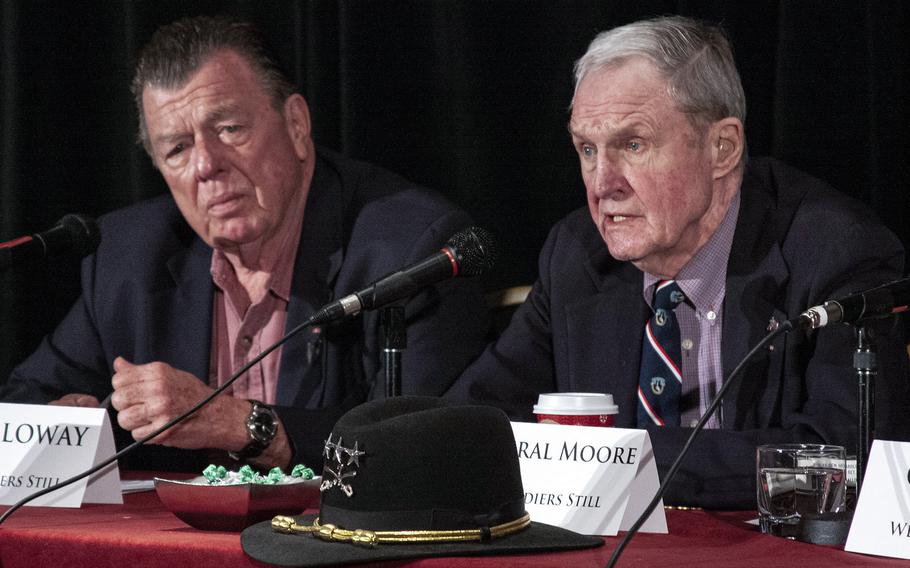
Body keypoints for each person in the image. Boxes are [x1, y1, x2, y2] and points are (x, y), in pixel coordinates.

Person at [447, 15, 910, 509]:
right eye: (587, 148)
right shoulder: (578, 254)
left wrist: (621, 463)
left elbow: (843, 455)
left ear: (722, 148)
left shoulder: (835, 252)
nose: (603, 184)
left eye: (633, 144)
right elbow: (475, 416)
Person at [1, 15, 489, 472]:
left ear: (296, 126)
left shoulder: (409, 249)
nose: (205, 165)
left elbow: (423, 447)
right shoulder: (127, 258)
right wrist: (60, 421)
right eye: (177, 148)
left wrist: (240, 424)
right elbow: (21, 399)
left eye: (229, 129)